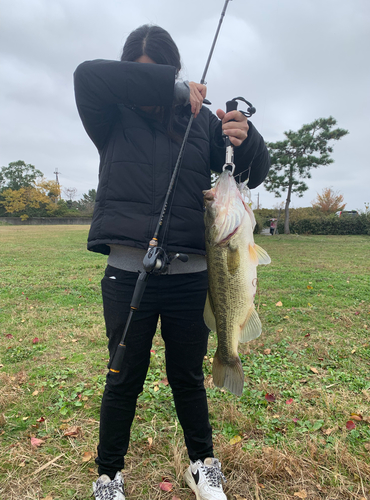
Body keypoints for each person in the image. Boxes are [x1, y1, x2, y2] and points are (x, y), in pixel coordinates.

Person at [74, 24, 270, 500]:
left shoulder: (201, 121)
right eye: (140, 76)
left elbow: (252, 173)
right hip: (127, 272)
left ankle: (202, 465)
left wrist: (245, 138)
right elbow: (88, 74)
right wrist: (175, 87)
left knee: (187, 376)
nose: (148, 88)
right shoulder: (108, 114)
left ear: (174, 68)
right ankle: (108, 476)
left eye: (159, 74)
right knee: (123, 375)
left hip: (191, 275)